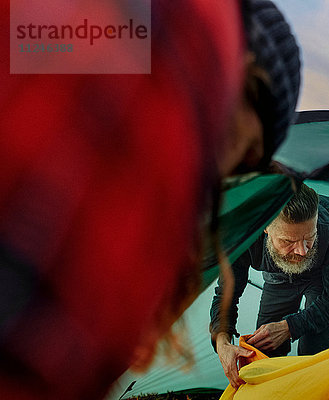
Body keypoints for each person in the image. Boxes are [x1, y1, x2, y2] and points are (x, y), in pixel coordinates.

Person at [0, 0, 300, 398]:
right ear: (247, 80)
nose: (301, 248)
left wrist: (292, 328)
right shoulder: (172, 51)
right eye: (251, 151)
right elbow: (42, 333)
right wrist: (223, 338)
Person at [210, 183, 329, 389]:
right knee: (261, 350)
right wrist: (222, 342)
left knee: (314, 350)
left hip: (321, 280)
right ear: (266, 228)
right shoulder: (242, 232)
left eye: (310, 238)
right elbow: (226, 293)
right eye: (289, 241)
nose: (303, 252)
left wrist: (290, 327)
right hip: (277, 281)